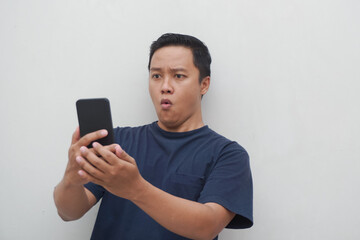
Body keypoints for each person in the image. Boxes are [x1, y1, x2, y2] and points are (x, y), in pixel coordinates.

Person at [53, 33, 253, 240]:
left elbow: (207, 227)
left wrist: (135, 188)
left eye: (178, 76)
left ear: (204, 84)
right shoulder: (118, 143)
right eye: (156, 75)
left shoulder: (228, 154)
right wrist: (71, 179)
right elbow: (68, 212)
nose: (165, 86)